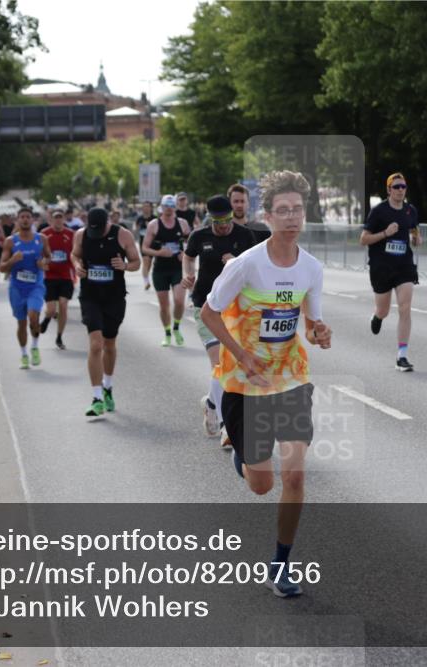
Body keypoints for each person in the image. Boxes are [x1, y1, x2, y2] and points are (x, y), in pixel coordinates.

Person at [201, 170, 332, 598]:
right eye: (283, 210)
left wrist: (319, 333)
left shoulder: (311, 268)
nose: (291, 217)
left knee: (294, 477)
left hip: (291, 379)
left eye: (298, 209)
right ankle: (242, 455)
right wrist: (240, 354)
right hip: (245, 382)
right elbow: (209, 312)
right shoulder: (246, 264)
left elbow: (310, 324)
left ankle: (280, 564)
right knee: (262, 484)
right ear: (268, 216)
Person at [182, 194, 257, 439]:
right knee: (219, 362)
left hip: (236, 307)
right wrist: (188, 274)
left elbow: (255, 268)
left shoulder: (245, 235)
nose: (224, 226)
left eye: (227, 220)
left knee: (231, 364)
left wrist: (235, 263)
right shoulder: (199, 236)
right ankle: (227, 428)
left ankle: (212, 405)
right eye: (218, 222)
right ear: (210, 219)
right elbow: (189, 256)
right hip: (206, 305)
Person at [72, 207, 141, 416]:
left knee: (109, 344)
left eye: (99, 230)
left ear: (107, 224)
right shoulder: (81, 235)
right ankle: (96, 397)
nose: (95, 234)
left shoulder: (123, 235)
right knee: (95, 344)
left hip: (114, 298)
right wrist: (77, 266)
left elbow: (136, 262)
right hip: (90, 296)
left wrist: (125, 266)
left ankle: (107, 387)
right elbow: (74, 255)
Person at [361, 172, 421, 372]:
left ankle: (402, 355)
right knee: (384, 310)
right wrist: (385, 233)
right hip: (381, 267)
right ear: (388, 190)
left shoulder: (410, 210)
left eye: (403, 186)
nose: (400, 190)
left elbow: (414, 229)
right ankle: (377, 317)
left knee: (405, 307)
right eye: (396, 187)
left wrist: (416, 239)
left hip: (404, 266)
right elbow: (363, 239)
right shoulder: (379, 211)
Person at [0, 208, 49, 369]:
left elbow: (49, 257)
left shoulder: (41, 239)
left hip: (35, 285)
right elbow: (2, 268)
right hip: (17, 287)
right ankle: (24, 354)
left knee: (33, 316)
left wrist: (44, 264)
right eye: (22, 217)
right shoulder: (10, 241)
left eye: (28, 217)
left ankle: (34, 346)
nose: (25, 220)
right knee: (21, 323)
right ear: (17, 221)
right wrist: (13, 260)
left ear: (32, 220)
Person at [142, 194, 192, 347]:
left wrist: (185, 253)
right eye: (166, 206)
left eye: (171, 206)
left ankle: (176, 326)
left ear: (175, 207)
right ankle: (167, 332)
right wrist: (159, 253)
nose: (169, 209)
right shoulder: (154, 225)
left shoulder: (182, 224)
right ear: (161, 208)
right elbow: (144, 248)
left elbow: (191, 244)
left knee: (179, 301)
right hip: (160, 270)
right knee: (164, 306)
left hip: (177, 269)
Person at [39, 209, 76, 350]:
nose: (58, 220)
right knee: (50, 310)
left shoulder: (71, 234)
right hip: (49, 277)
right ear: (51, 219)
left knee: (63, 305)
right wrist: (42, 263)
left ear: (64, 219)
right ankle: (47, 319)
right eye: (56, 218)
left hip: (66, 276)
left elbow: (76, 252)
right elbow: (39, 253)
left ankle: (59, 337)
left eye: (60, 217)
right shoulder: (44, 234)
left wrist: (77, 266)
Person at [135, 201, 155, 290]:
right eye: (144, 206)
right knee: (146, 261)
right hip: (143, 243)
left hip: (153, 243)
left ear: (151, 208)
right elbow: (135, 228)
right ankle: (146, 282)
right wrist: (137, 228)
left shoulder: (155, 218)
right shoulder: (140, 218)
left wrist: (150, 228)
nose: (145, 208)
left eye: (147, 206)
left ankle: (146, 278)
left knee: (149, 263)